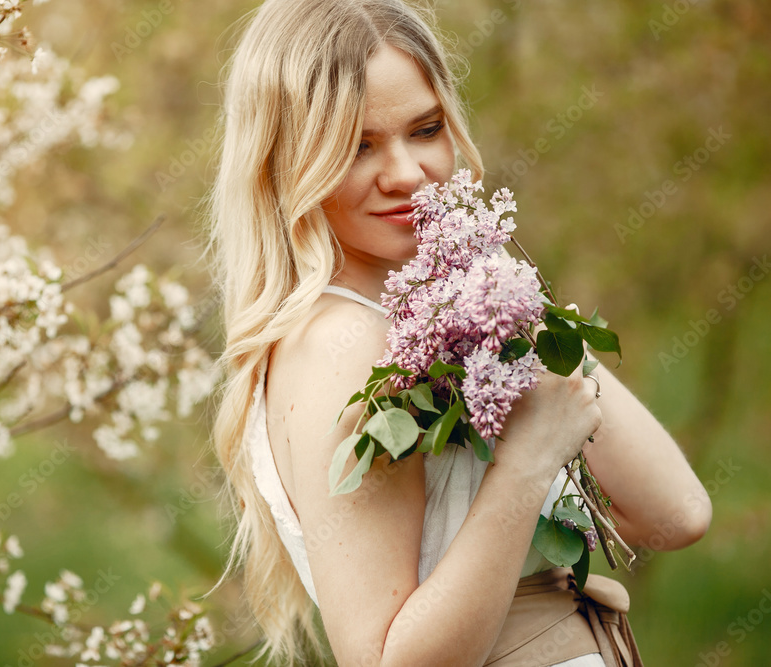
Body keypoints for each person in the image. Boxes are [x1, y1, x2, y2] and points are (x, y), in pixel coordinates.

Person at [206, 0, 712, 664]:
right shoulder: (340, 344)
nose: (408, 174)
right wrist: (527, 460)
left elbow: (676, 513)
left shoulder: (436, 310)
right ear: (285, 162)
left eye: (424, 129)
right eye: (358, 145)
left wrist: (503, 296)